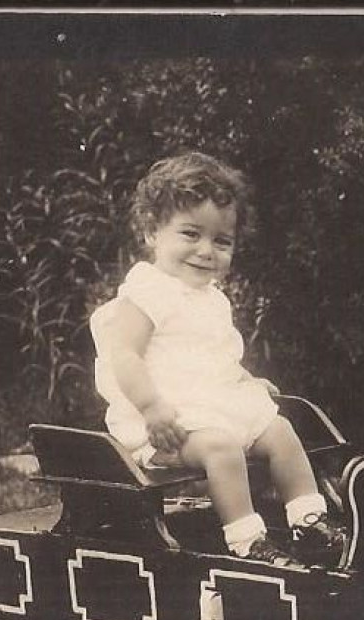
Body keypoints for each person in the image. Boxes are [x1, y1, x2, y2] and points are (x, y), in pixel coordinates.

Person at [90, 153, 348, 567]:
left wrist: (245, 382)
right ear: (152, 232)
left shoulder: (212, 299)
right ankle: (248, 541)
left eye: (221, 241)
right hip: (165, 424)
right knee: (222, 447)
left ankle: (309, 520)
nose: (206, 251)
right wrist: (152, 407)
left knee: (279, 430)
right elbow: (123, 354)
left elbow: (214, 355)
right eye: (190, 234)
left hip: (210, 405)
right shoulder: (147, 292)